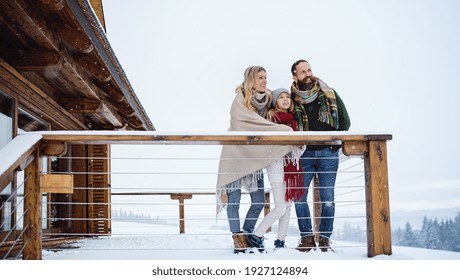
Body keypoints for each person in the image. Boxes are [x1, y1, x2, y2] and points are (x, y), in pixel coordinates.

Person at [216, 66, 298, 254]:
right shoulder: (239, 101)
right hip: (235, 155)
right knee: (234, 201)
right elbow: (249, 125)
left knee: (259, 201)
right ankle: (238, 240)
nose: (264, 81)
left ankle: (248, 234)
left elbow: (272, 120)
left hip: (255, 158)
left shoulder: (268, 100)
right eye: (260, 77)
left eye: (266, 77)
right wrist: (283, 131)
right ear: (251, 79)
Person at [290, 59, 351, 252]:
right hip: (304, 153)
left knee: (327, 198)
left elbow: (345, 121)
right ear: (295, 76)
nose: (307, 74)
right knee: (299, 198)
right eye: (302, 72)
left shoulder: (329, 93)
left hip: (327, 153)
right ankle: (307, 238)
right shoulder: (290, 98)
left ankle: (325, 239)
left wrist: (333, 146)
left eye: (309, 70)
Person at [245, 88, 305, 252]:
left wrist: (300, 145)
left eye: (287, 97)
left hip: (292, 167)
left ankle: (280, 241)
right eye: (281, 97)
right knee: (280, 207)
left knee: (287, 206)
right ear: (275, 102)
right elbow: (270, 145)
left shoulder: (293, 121)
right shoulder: (271, 119)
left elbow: (298, 149)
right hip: (277, 167)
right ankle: (256, 236)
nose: (285, 99)